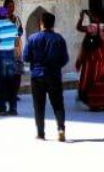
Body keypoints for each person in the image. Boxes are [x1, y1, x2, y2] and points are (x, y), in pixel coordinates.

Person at [23, 11, 69, 141]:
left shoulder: (32, 38)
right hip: (53, 74)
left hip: (37, 75)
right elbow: (64, 59)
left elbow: (26, 57)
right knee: (58, 104)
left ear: (41, 23)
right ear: (53, 24)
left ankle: (41, 133)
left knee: (38, 105)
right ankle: (60, 128)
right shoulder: (59, 39)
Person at [76, 8, 104, 111]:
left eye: (93, 15)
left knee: (91, 79)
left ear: (97, 17)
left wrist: (81, 18)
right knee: (101, 79)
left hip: (92, 58)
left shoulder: (93, 27)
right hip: (102, 57)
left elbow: (78, 28)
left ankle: (94, 103)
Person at [0, 6, 21, 116]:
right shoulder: (13, 25)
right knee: (11, 83)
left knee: (1, 82)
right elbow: (17, 43)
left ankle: (2, 107)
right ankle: (13, 108)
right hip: (11, 54)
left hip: (1, 55)